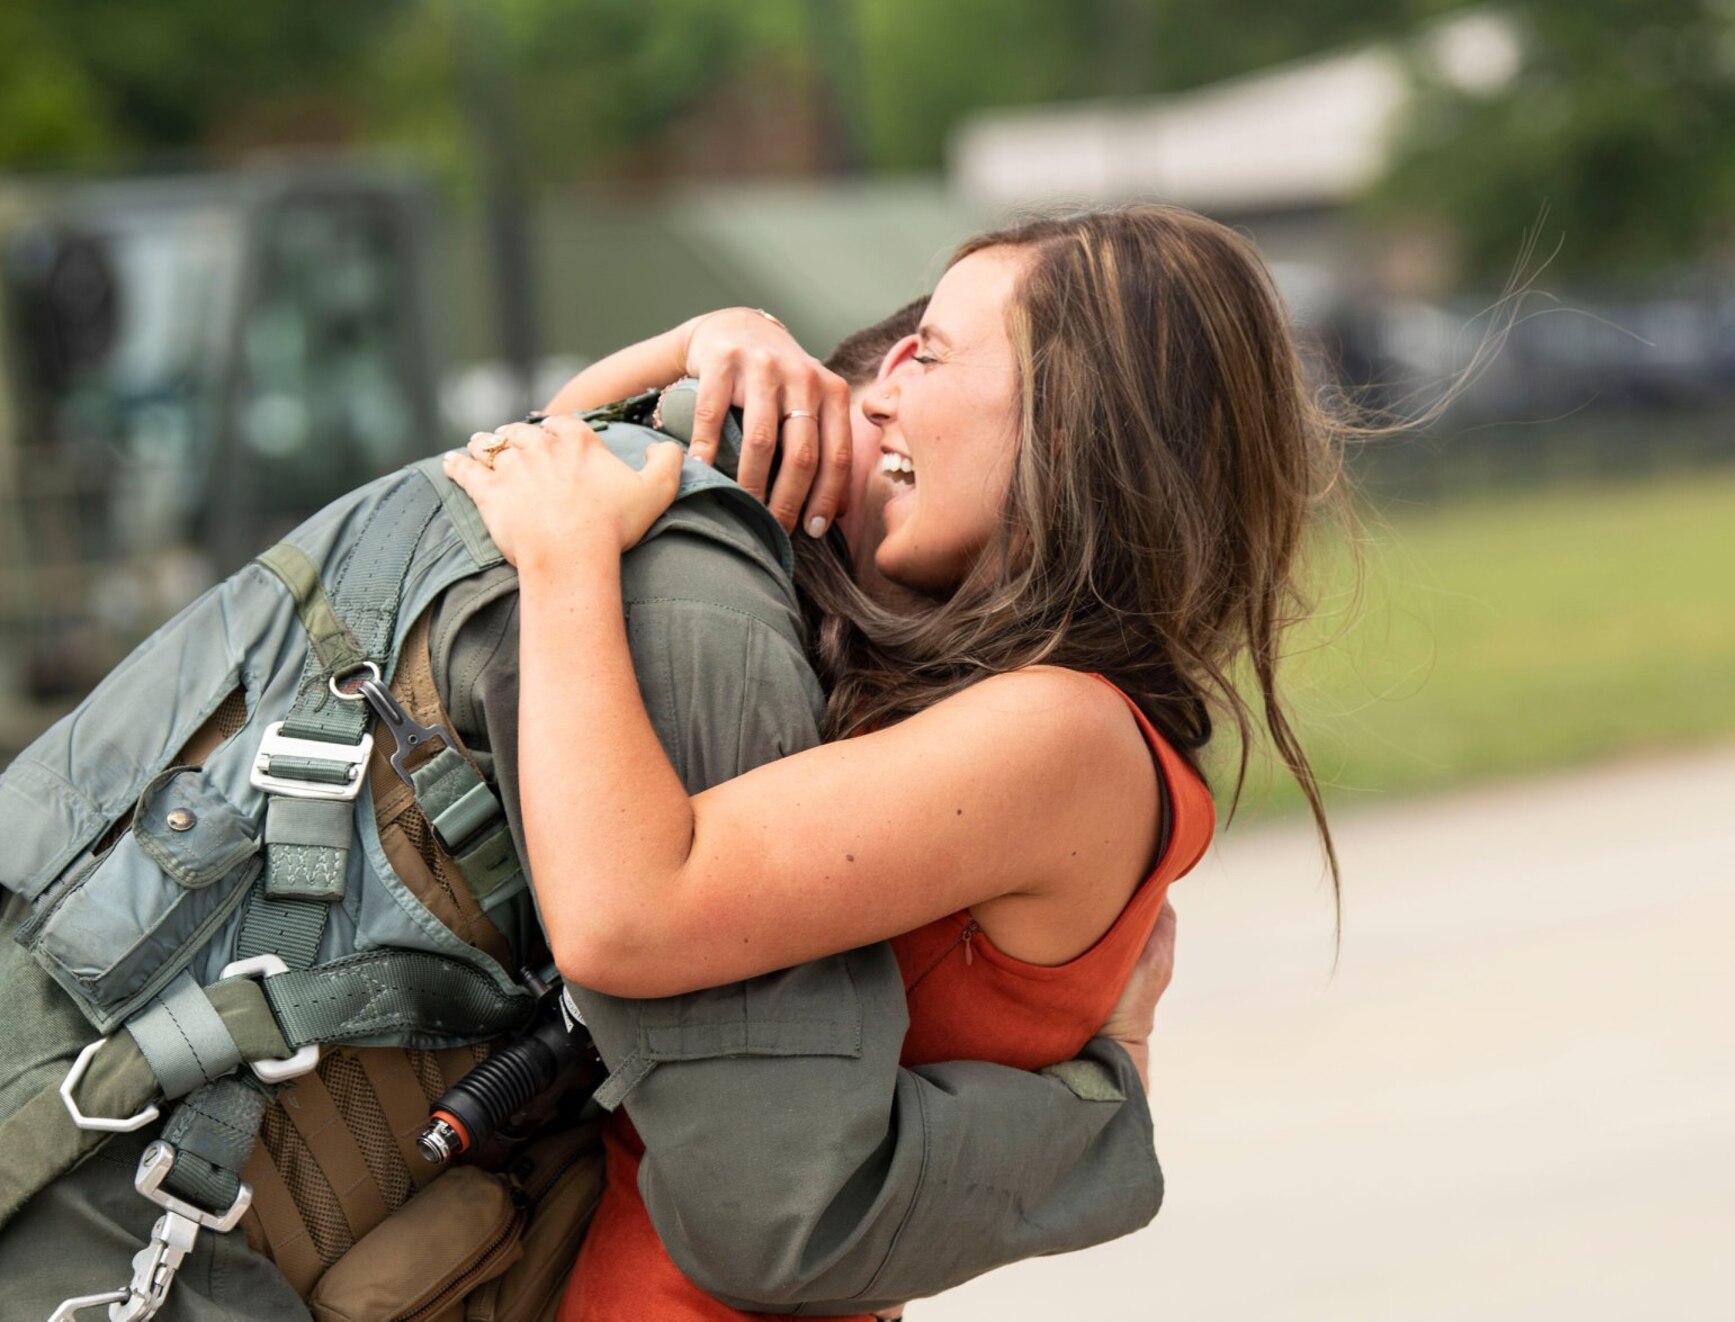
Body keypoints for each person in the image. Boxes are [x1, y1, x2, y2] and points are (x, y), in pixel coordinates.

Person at [0, 303, 1176, 1319]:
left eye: (931, 367)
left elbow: (770, 1188)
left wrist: (591, 525)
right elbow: (777, 1202)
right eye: (878, 368)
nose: (865, 405)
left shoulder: (1016, 731)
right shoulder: (705, 604)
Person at [446, 203, 1343, 1318]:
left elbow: (627, 908)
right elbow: (522, 499)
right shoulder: (964, 704)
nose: (877, 393)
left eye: (931, 353)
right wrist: (704, 345)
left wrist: (569, 558)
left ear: (1071, 424)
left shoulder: (1064, 738)